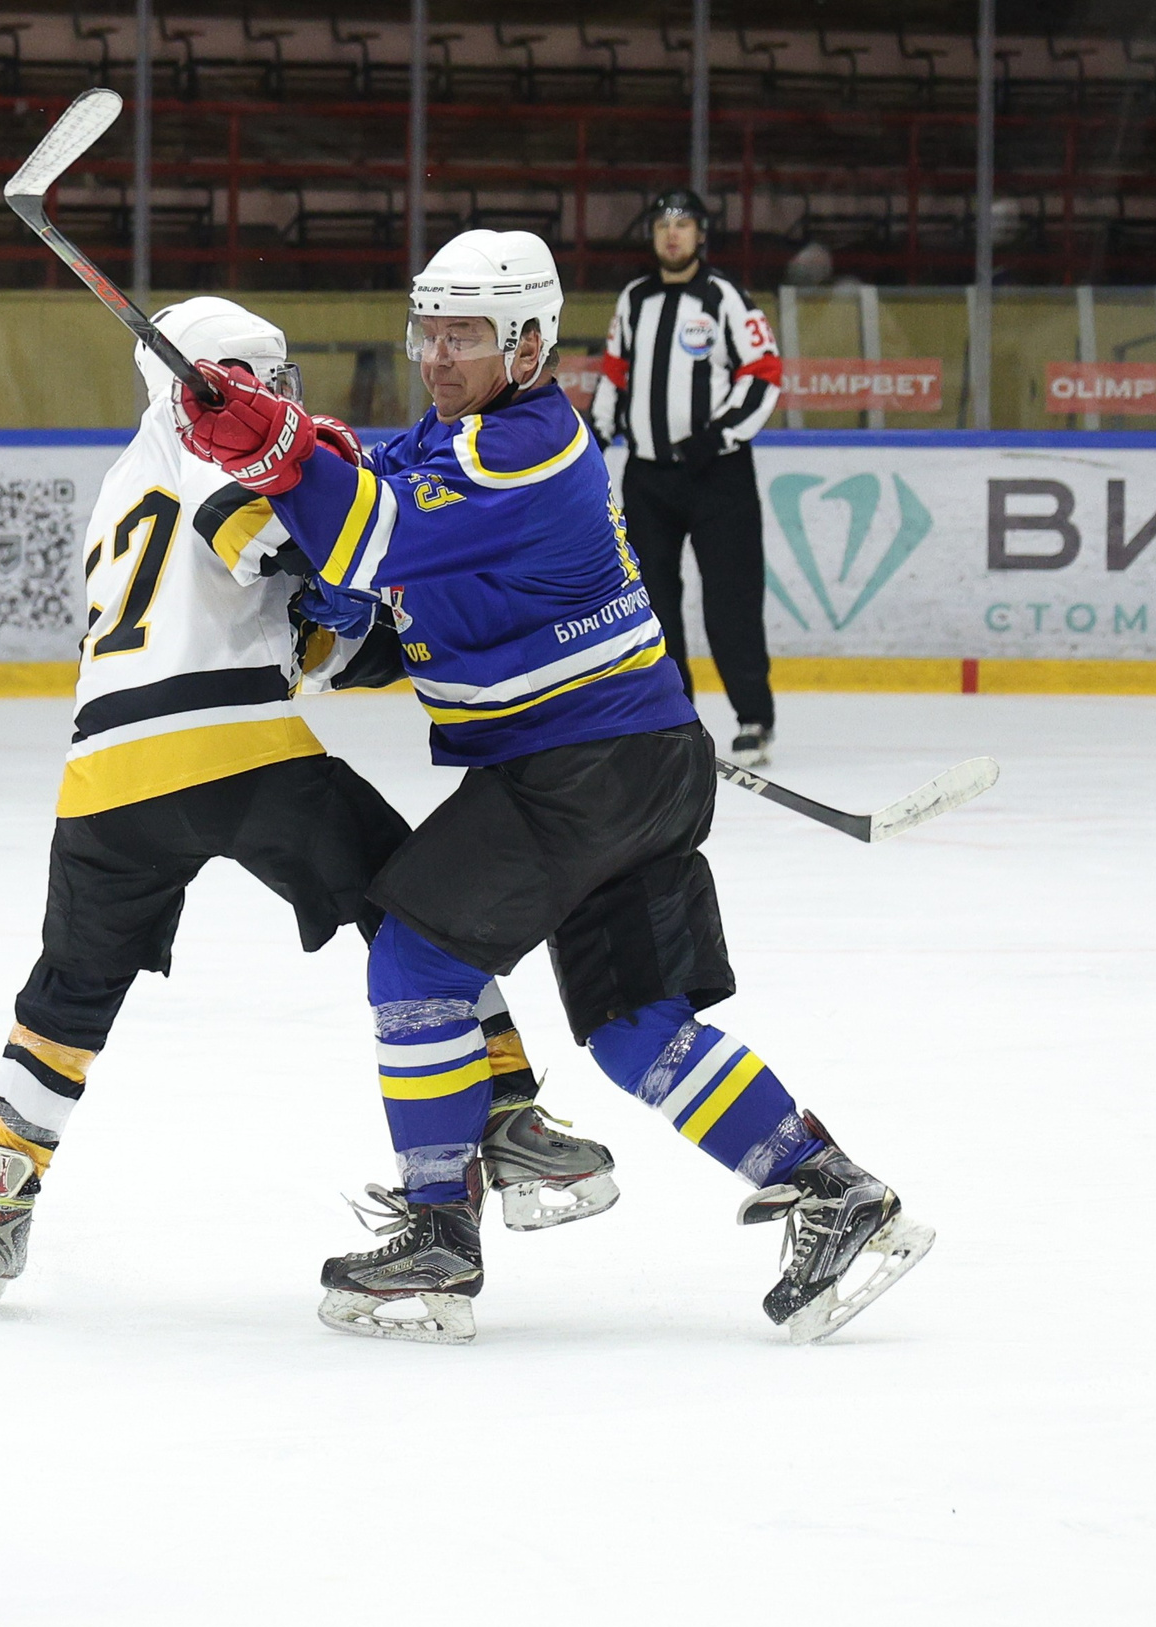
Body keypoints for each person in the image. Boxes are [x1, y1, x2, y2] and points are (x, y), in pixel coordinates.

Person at [171, 230, 932, 1346]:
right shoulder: (458, 434)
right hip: (635, 759)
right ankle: (835, 1193)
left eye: (465, 334)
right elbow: (385, 553)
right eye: (427, 329)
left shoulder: (525, 443)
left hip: (577, 768)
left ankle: (438, 1236)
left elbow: (366, 525)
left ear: (528, 342)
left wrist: (278, 452)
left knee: (415, 956)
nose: (437, 354)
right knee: (637, 1029)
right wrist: (357, 592)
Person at [0, 296, 619, 1320]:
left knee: (69, 994)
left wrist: (342, 619)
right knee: (420, 913)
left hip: (102, 775)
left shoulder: (122, 476)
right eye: (266, 377)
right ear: (223, 376)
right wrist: (352, 559)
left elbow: (284, 625)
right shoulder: (214, 442)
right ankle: (509, 1111)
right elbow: (267, 536)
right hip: (233, 745)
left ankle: (1, 1184)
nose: (278, 398)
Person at [589, 189, 785, 768]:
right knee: (652, 606)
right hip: (648, 480)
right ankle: (673, 721)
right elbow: (614, 377)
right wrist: (593, 437)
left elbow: (764, 374)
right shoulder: (635, 299)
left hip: (718, 477)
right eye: (661, 224)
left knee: (732, 600)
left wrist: (718, 435)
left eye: (684, 224)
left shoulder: (723, 297)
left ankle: (754, 718)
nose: (671, 234)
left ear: (702, 234)